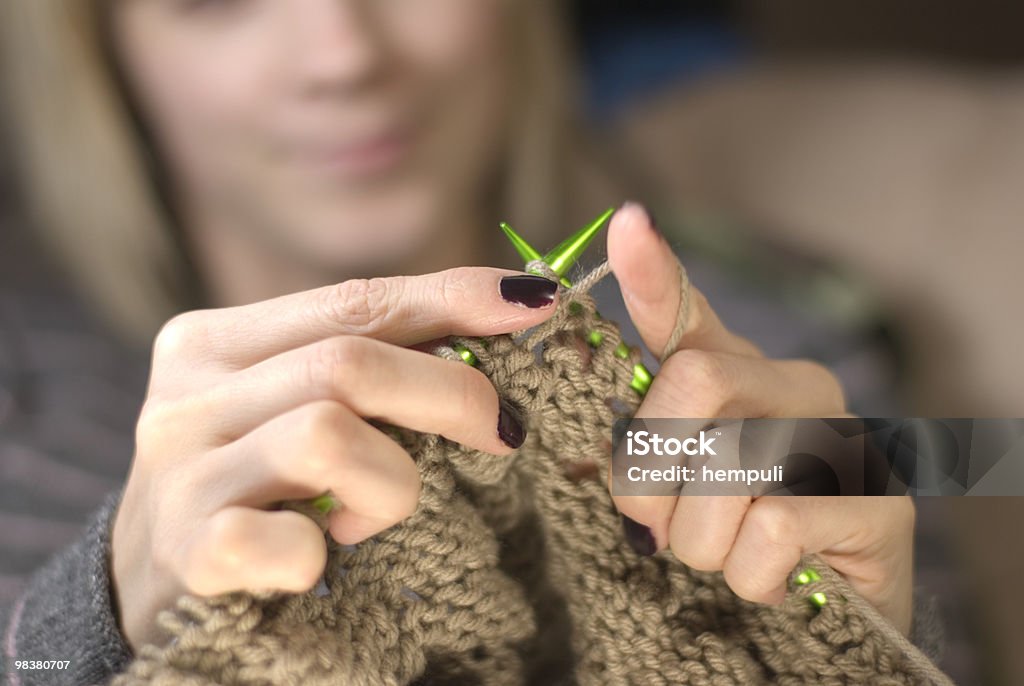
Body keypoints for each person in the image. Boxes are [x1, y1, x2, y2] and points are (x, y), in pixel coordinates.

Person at [0, 1, 938, 684]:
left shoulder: (782, 347)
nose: (340, 54)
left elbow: (987, 463)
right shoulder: (21, 408)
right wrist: (86, 630)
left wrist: (876, 630)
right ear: (105, 49)